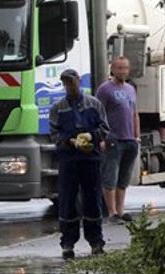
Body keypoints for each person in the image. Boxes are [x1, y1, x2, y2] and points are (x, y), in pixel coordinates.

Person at [50, 69, 110, 259]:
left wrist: (91, 136)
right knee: (67, 201)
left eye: (71, 82)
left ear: (78, 81)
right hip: (68, 159)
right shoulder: (58, 108)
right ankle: (68, 242)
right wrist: (70, 141)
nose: (69, 86)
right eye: (65, 83)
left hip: (90, 159)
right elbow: (55, 134)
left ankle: (96, 242)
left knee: (92, 200)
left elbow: (105, 128)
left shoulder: (94, 104)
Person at [96, 57, 140, 224]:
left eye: (125, 68)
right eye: (119, 68)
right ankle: (112, 212)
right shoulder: (105, 90)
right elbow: (98, 114)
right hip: (113, 140)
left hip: (130, 139)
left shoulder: (130, 89)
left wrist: (137, 136)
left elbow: (135, 113)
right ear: (112, 69)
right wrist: (101, 138)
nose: (122, 71)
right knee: (110, 178)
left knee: (124, 178)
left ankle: (121, 210)